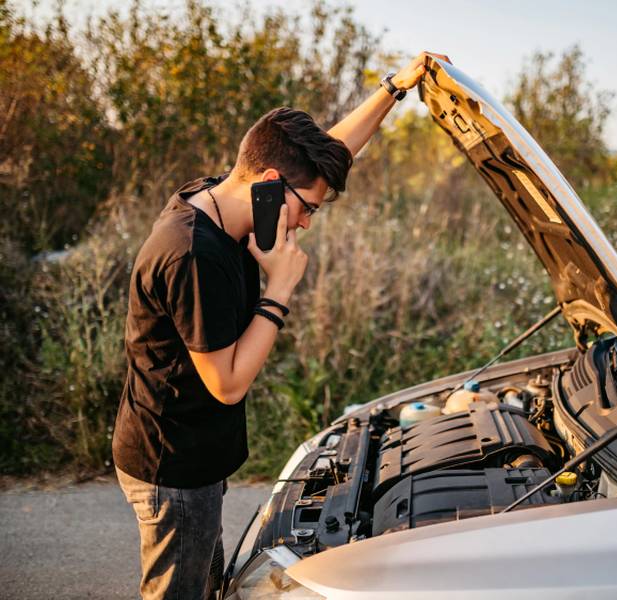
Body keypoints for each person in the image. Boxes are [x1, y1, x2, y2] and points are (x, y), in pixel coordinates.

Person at [112, 51, 446, 599]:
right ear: (270, 183)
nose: (308, 222)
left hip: (193, 451)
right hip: (174, 466)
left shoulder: (223, 198)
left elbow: (327, 157)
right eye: (308, 208)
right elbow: (227, 383)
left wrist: (393, 89)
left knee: (205, 584)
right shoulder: (195, 255)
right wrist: (280, 289)